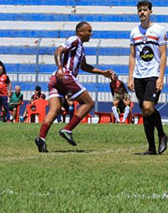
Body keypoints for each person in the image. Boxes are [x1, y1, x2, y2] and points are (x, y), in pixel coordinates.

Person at [34, 22, 115, 152]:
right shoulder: (74, 39)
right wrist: (60, 67)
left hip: (55, 79)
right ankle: (67, 129)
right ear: (80, 32)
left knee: (54, 110)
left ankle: (41, 138)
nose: (91, 33)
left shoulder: (80, 48)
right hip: (66, 76)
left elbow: (84, 66)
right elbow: (58, 50)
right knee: (88, 103)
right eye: (88, 31)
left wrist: (102, 72)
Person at [128, 0, 168, 155]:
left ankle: (162, 134)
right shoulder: (134, 32)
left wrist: (161, 77)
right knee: (145, 111)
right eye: (140, 10)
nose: (142, 13)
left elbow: (163, 55)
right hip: (139, 76)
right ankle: (151, 147)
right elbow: (132, 56)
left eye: (145, 10)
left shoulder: (159, 30)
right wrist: (130, 77)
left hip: (153, 74)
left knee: (147, 106)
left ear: (151, 12)